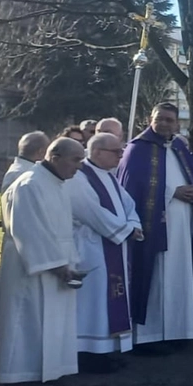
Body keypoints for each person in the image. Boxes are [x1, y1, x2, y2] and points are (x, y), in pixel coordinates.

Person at [0, 138, 85, 386]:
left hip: (55, 263)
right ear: (55, 157)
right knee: (27, 320)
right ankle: (19, 378)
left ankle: (48, 371)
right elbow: (28, 231)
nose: (79, 166)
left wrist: (69, 261)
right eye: (75, 160)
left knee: (50, 322)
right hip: (29, 267)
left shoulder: (56, 184)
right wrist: (58, 265)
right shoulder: (29, 185)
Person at [118, 102, 193, 352]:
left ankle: (178, 329)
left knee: (180, 275)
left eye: (169, 120)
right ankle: (149, 336)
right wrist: (173, 192)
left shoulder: (180, 148)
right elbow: (131, 192)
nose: (163, 124)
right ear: (151, 119)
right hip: (155, 227)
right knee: (157, 278)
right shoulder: (137, 150)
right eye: (159, 119)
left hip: (184, 225)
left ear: (177, 123)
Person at [69, 133, 142, 373]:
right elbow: (90, 212)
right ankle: (89, 353)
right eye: (116, 152)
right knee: (94, 302)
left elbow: (129, 205)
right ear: (98, 152)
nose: (121, 156)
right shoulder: (79, 178)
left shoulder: (110, 177)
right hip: (91, 249)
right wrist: (124, 230)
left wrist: (134, 225)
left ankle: (107, 350)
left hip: (114, 247)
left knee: (108, 300)